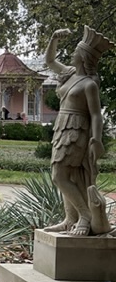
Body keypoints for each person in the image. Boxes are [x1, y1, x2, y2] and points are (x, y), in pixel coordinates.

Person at [44, 26, 115, 236]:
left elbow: (96, 115)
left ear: (83, 57)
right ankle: (70, 219)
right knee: (69, 175)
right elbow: (50, 61)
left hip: (77, 130)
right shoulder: (71, 74)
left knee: (59, 175)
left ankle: (85, 216)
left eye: (76, 51)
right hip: (62, 127)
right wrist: (53, 38)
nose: (73, 53)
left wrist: (97, 139)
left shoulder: (89, 84)